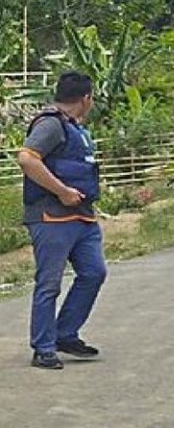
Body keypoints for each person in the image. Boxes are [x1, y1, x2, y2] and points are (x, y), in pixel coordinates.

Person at [17, 71, 108, 369]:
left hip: (82, 217)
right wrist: (62, 191)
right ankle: (43, 348)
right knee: (49, 283)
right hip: (51, 217)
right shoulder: (51, 124)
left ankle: (65, 334)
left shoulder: (74, 127)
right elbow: (27, 158)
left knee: (94, 272)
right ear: (86, 98)